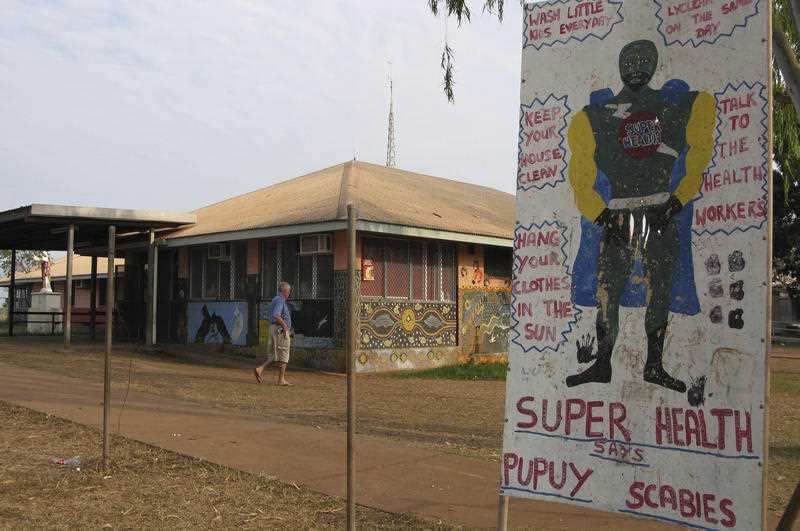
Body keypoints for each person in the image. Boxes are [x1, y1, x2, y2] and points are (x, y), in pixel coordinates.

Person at [566, 39, 715, 393]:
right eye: (629, 59)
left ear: (653, 63)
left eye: (642, 59)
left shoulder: (676, 106)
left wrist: (678, 200)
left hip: (658, 209)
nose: (635, 66)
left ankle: (653, 365)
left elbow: (700, 147)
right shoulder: (595, 117)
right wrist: (601, 214)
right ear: (619, 65)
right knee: (608, 292)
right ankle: (603, 363)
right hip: (619, 212)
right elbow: (580, 172)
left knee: (659, 290)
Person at [254, 281, 293, 386]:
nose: (289, 293)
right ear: (285, 291)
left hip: (273, 328)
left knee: (276, 355)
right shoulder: (280, 300)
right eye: (289, 291)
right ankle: (281, 380)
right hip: (279, 329)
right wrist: (285, 327)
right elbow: (276, 315)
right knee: (284, 354)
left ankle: (260, 369)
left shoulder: (275, 299)